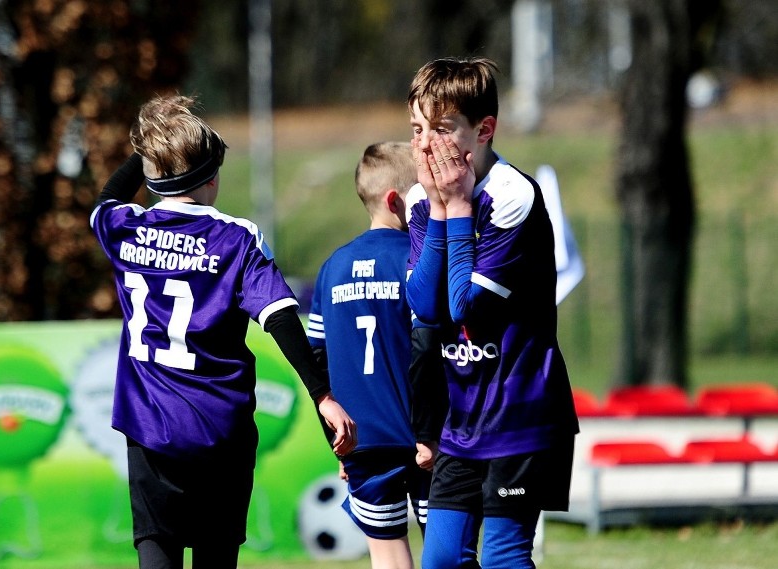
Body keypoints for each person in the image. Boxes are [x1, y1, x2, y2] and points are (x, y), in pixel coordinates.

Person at [89, 94, 357, 569]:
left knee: (157, 552)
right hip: (220, 432)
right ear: (213, 177)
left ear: (151, 178)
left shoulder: (125, 228)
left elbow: (107, 199)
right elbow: (278, 320)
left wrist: (151, 143)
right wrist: (322, 394)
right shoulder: (236, 238)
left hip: (150, 429)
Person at [403, 57, 580, 569]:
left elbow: (464, 306)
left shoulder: (512, 196)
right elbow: (425, 307)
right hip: (462, 420)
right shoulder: (422, 200)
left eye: (440, 130)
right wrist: (438, 209)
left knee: (504, 557)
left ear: (483, 131)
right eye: (417, 130)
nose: (425, 145)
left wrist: (456, 207)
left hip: (520, 412)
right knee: (440, 559)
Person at [306, 141, 443, 569]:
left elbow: (318, 359)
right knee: (445, 550)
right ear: (397, 200)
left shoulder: (332, 267)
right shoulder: (417, 259)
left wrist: (338, 442)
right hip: (423, 438)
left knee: (385, 552)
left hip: (363, 442)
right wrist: (432, 431)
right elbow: (428, 349)